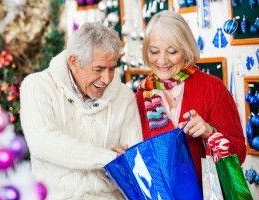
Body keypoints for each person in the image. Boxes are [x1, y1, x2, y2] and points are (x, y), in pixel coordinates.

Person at [20, 22, 142, 199]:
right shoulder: (36, 86)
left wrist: (120, 160)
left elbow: (132, 160)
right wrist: (108, 157)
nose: (107, 78)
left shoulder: (124, 96)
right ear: (74, 61)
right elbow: (43, 142)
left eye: (112, 68)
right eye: (99, 69)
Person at [135, 10, 246, 184]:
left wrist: (210, 132)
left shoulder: (212, 88)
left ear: (186, 50)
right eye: (154, 51)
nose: (162, 61)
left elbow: (239, 154)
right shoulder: (141, 96)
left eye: (172, 52)